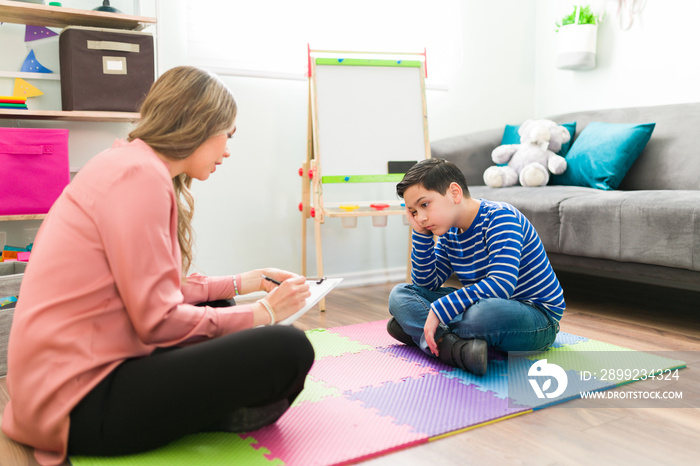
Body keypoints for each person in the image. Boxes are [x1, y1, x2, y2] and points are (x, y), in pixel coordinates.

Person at [2, 66, 315, 465]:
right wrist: (264, 312)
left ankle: (200, 409)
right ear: (201, 124)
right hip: (79, 405)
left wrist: (244, 282)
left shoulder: (126, 162)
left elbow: (154, 289)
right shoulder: (141, 178)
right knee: (287, 347)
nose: (227, 151)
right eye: (228, 135)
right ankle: (202, 415)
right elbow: (158, 320)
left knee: (216, 310)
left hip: (55, 390)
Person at [387, 158, 565, 375]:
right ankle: (453, 347)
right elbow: (425, 283)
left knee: (483, 315)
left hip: (536, 317)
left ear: (454, 192)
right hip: (483, 304)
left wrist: (437, 312)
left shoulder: (500, 217)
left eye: (424, 205)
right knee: (400, 294)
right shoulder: (449, 232)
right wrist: (420, 234)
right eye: (414, 212)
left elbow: (501, 286)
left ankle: (420, 331)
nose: (421, 217)